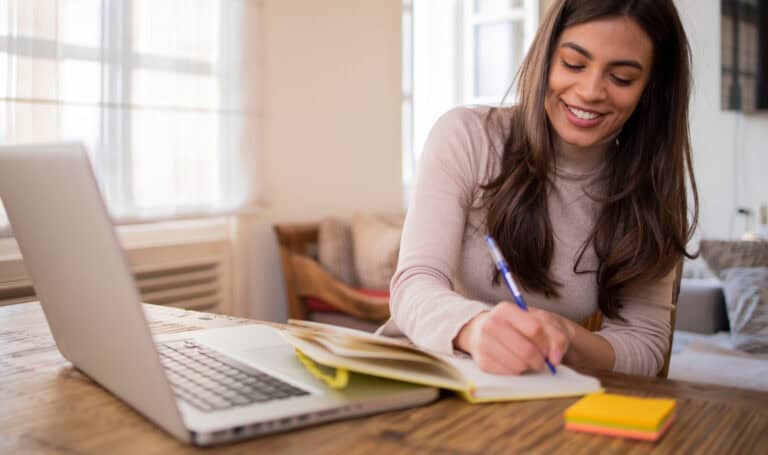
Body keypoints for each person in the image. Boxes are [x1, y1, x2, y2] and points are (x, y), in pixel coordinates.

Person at [378, 0, 698, 377]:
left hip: (534, 396)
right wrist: (476, 328)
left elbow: (645, 344)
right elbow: (415, 285)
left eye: (622, 78)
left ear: (651, 88)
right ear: (545, 57)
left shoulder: (651, 188)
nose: (591, 90)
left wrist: (565, 336)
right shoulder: (467, 136)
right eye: (574, 64)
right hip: (421, 373)